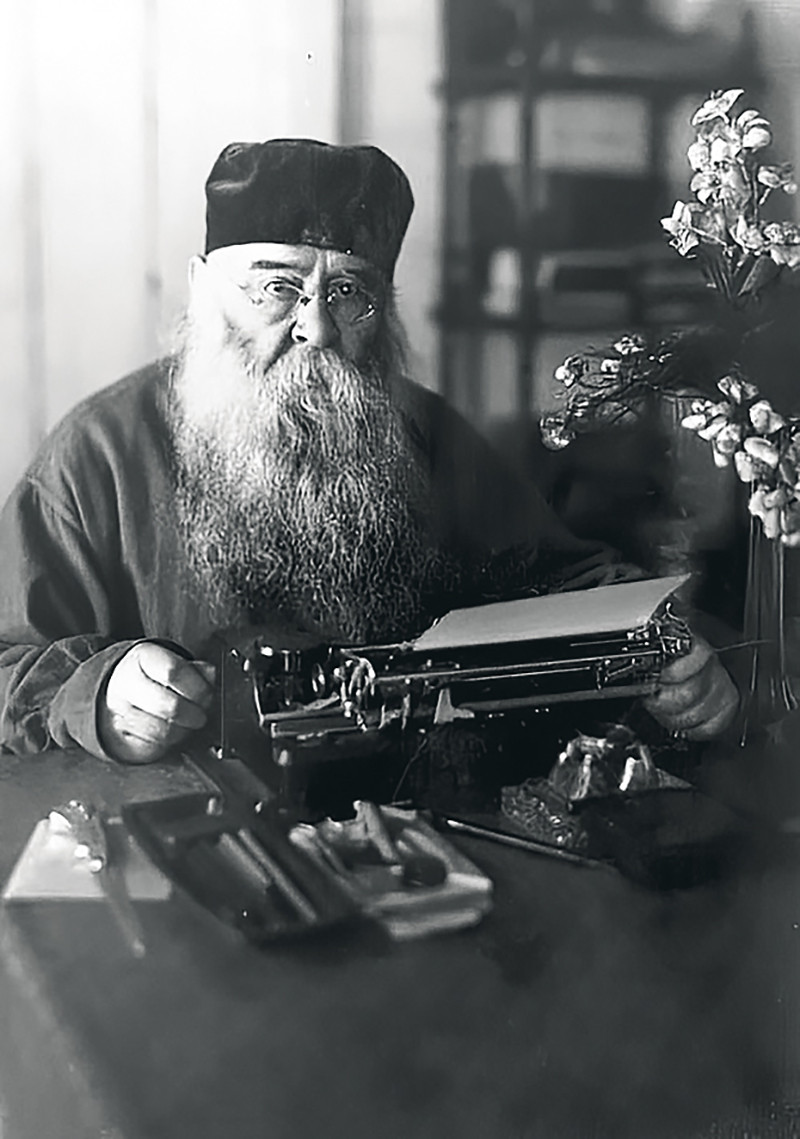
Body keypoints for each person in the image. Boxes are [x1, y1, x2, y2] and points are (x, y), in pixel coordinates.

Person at [0, 139, 738, 765]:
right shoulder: (96, 456)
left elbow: (567, 583)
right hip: (195, 837)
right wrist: (99, 691)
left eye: (348, 292)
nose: (316, 328)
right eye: (277, 287)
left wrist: (672, 655)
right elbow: (9, 660)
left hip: (409, 824)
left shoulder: (431, 436)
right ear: (202, 290)